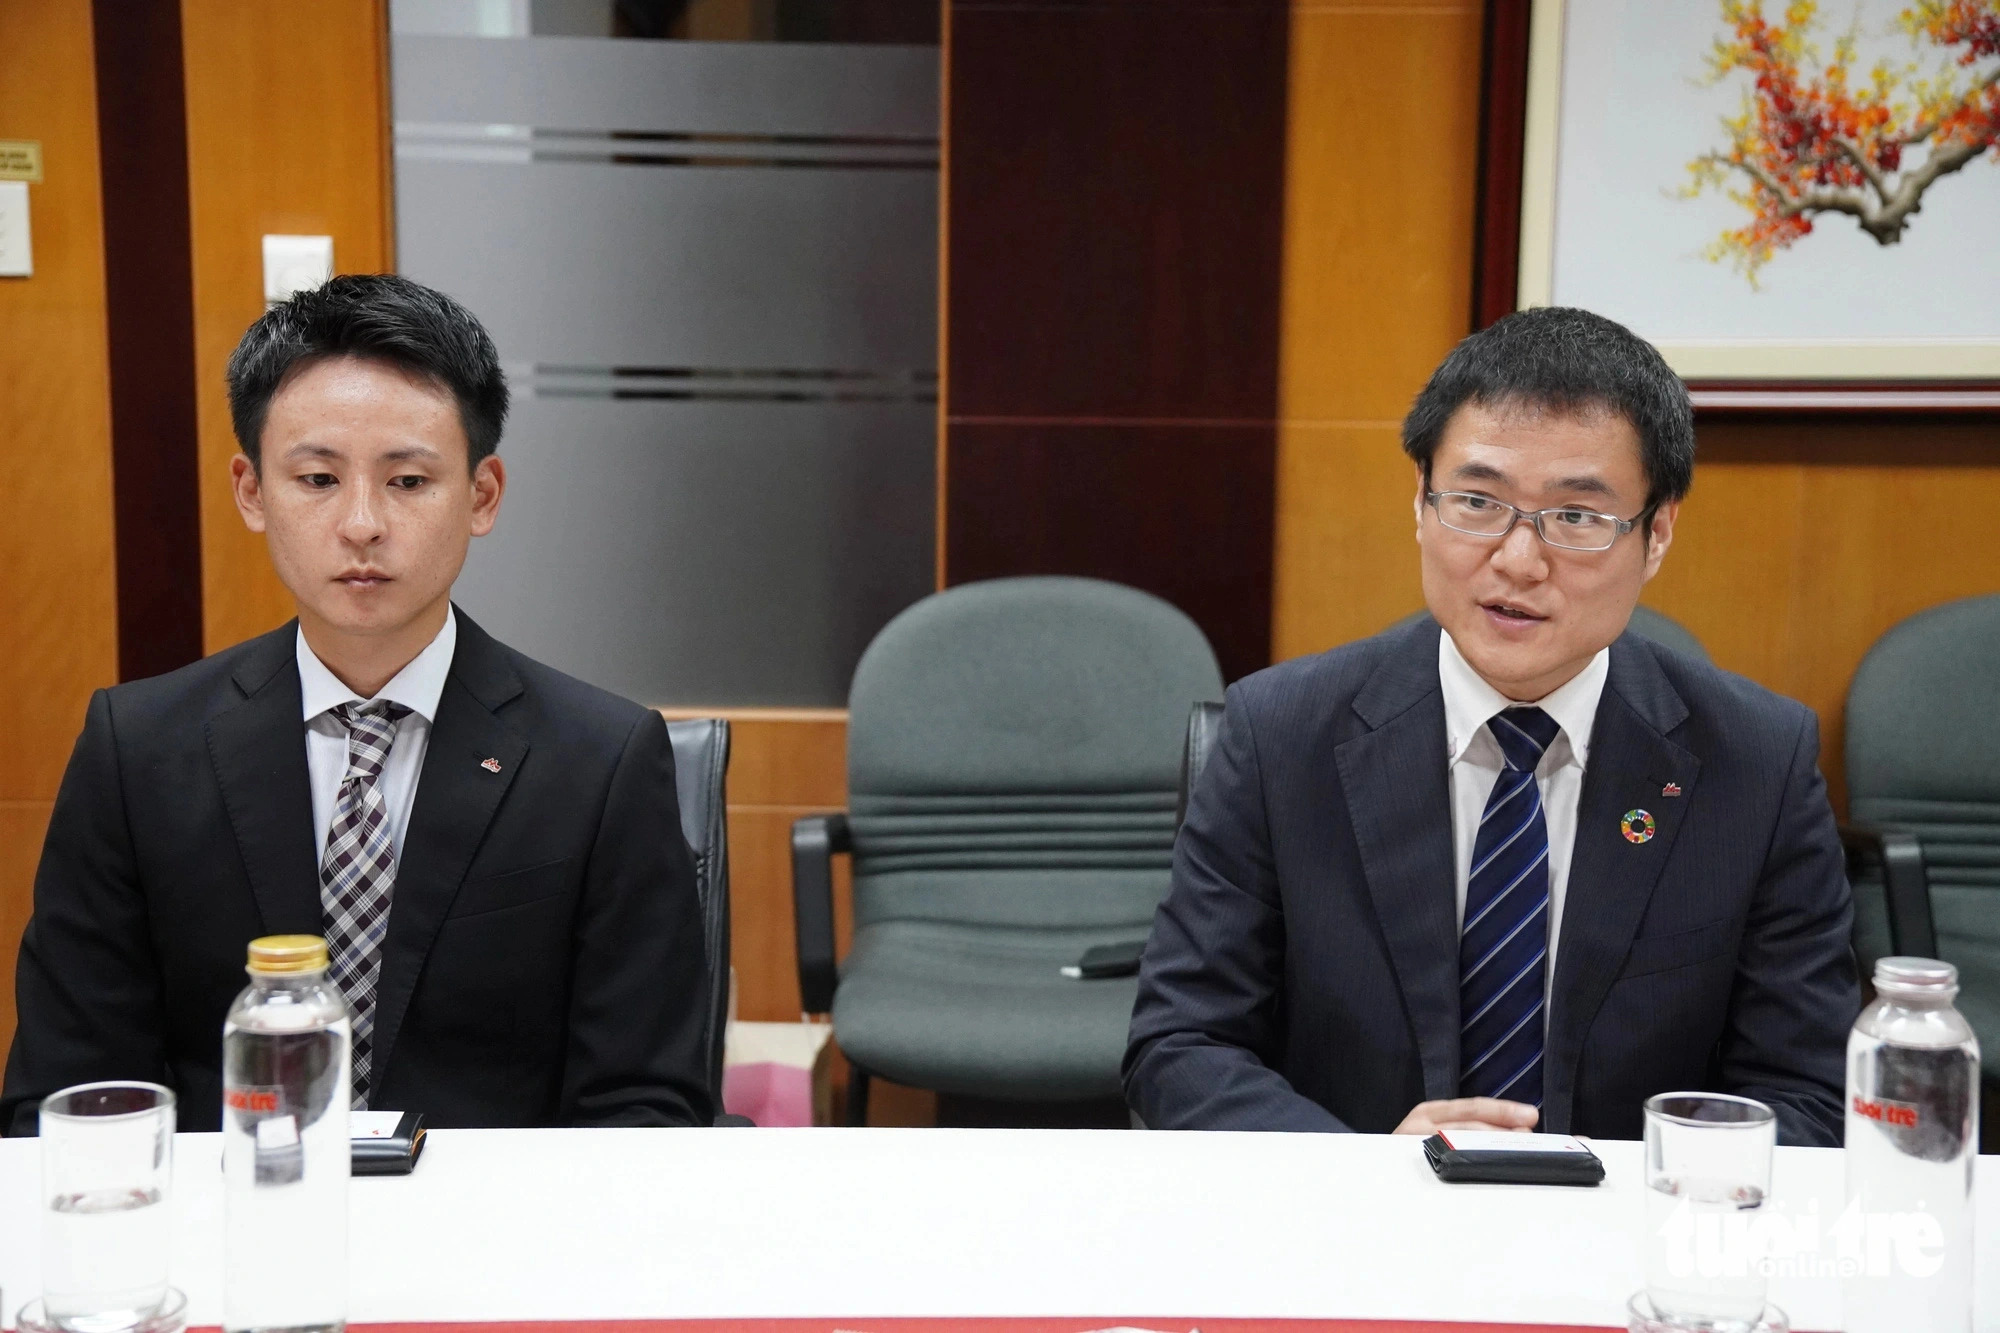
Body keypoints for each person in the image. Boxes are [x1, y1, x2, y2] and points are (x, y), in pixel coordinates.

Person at [1125, 306, 1856, 1145]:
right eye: (1477, 501)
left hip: (1627, 1241)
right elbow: (1180, 1040)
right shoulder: (1278, 734)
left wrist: (1621, 1190)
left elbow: (1810, 1090)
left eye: (1577, 517)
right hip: (1358, 1233)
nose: (1517, 559)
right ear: (1420, 504)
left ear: (1656, 535)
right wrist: (1359, 1172)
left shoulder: (1755, 764)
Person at [3, 275, 713, 1133]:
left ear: (482, 495)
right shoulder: (138, 749)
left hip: (493, 1235)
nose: (363, 523)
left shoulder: (601, 759)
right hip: (231, 1225)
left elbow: (644, 1104)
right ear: (252, 491)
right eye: (316, 478)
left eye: (409, 481)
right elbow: (70, 1091)